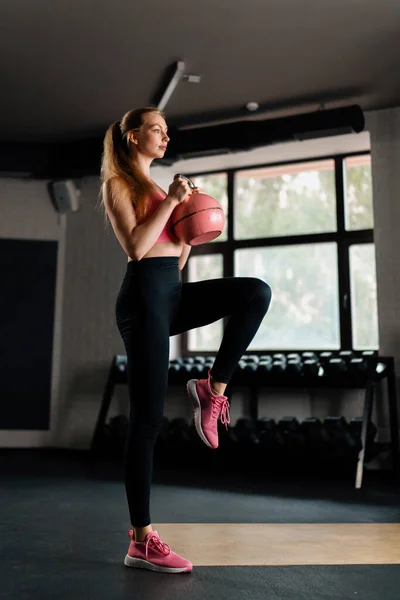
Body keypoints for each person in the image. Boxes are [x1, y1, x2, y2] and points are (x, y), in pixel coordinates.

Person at [99, 106, 272, 574]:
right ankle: (141, 539)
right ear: (133, 137)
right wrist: (174, 204)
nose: (165, 136)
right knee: (148, 420)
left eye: (167, 130)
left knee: (255, 292)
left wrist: (192, 230)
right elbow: (136, 248)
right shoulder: (118, 185)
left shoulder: (160, 188)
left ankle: (211, 389)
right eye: (157, 129)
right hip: (143, 301)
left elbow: (172, 263)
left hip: (169, 292)